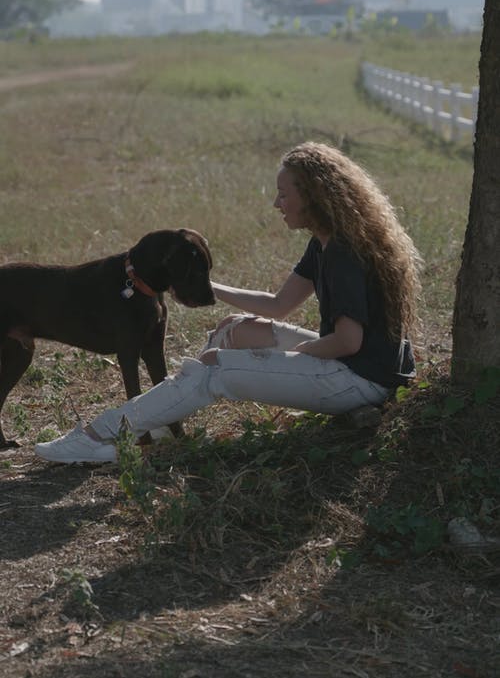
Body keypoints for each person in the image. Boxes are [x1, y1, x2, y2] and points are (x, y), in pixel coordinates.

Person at [35, 141, 422, 464]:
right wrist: (209, 288)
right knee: (236, 331)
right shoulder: (323, 242)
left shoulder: (342, 253)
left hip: (359, 380)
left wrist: (297, 356)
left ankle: (99, 437)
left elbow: (348, 341)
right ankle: (157, 425)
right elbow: (277, 304)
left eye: (284, 194)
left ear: (314, 198)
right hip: (357, 365)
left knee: (213, 369)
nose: (276, 203)